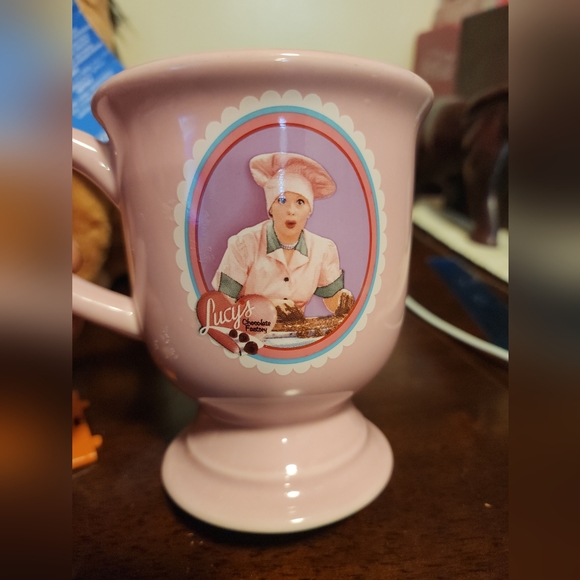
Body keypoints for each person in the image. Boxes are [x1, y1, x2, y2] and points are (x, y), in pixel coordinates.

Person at [212, 152, 354, 316]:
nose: (291, 211)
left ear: (309, 210)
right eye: (282, 201)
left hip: (298, 330)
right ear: (271, 208)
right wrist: (266, 307)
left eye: (300, 202)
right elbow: (223, 301)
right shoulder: (244, 244)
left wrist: (341, 300)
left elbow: (331, 297)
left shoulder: (322, 249)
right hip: (249, 328)